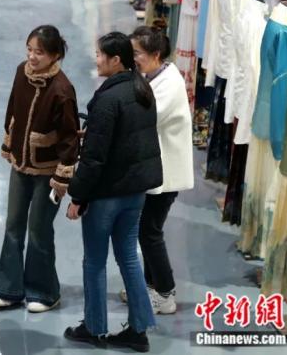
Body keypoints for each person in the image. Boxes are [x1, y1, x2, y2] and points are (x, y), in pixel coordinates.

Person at [64, 32, 162, 352]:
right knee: (129, 258)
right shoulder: (142, 89)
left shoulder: (107, 99)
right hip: (135, 192)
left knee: (94, 261)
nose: (96, 59)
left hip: (107, 194)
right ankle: (139, 329)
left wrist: (77, 196)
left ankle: (94, 328)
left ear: (115, 59)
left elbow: (94, 158)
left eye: (99, 54)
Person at [0, 25, 80, 313]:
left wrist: (63, 176)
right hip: (20, 164)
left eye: (39, 52)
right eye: (29, 50)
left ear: (55, 55)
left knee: (39, 229)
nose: (32, 56)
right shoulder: (22, 72)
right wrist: (9, 142)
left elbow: (69, 137)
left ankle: (45, 292)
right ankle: (9, 289)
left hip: (48, 171)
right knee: (13, 225)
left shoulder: (62, 89)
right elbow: (12, 109)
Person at [127, 26, 194, 314]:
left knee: (149, 231)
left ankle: (165, 293)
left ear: (155, 54)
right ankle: (150, 286)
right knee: (145, 229)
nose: (133, 58)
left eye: (137, 53)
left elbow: (146, 117)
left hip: (166, 173)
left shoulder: (170, 83)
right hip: (154, 169)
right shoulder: (151, 76)